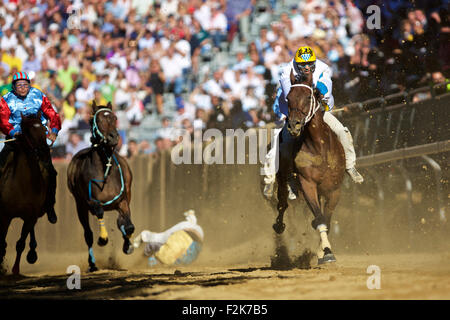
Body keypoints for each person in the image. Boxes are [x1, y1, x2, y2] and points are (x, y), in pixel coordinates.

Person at [263, 46, 364, 199]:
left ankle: (350, 166)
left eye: (310, 64)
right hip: (295, 114)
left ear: (314, 62)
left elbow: (326, 88)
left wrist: (319, 91)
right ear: (296, 64)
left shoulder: (323, 68)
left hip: (319, 111)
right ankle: (272, 180)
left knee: (341, 131)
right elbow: (289, 93)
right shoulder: (286, 71)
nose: (306, 68)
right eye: (302, 65)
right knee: (280, 142)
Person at [0, 71, 61, 223]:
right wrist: (14, 133)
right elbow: (3, 121)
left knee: (51, 172)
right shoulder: (6, 99)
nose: (23, 88)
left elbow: (53, 115)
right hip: (16, 139)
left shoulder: (38, 95)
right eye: (19, 85)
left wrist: (53, 131)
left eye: (25, 84)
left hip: (37, 140)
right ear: (14, 87)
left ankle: (49, 205)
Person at [132, 209, 204, 266]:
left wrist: (143, 236)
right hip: (187, 260)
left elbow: (159, 237)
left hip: (170, 258)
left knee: (151, 246)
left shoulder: (182, 225)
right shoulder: (200, 231)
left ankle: (143, 262)